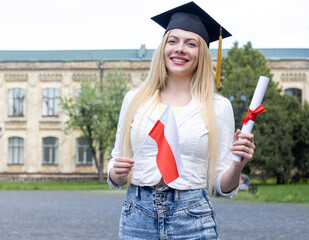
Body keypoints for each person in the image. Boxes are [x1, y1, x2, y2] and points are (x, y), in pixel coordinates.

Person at [107, 2, 256, 239]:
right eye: (173, 40)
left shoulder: (218, 107)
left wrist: (239, 164)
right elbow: (115, 165)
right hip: (137, 215)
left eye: (191, 43)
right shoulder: (135, 99)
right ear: (163, 47)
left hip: (192, 217)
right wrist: (116, 173)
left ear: (202, 53)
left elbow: (222, 185)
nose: (180, 49)